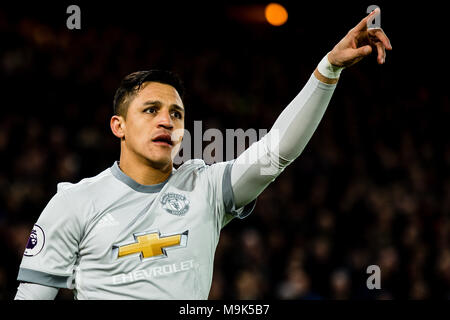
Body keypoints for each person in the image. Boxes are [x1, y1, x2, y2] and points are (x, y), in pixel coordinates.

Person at [15, 8, 391, 299]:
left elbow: (277, 151)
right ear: (119, 126)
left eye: (176, 113)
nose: (166, 121)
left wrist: (328, 69)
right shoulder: (74, 202)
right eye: (151, 110)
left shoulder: (206, 188)